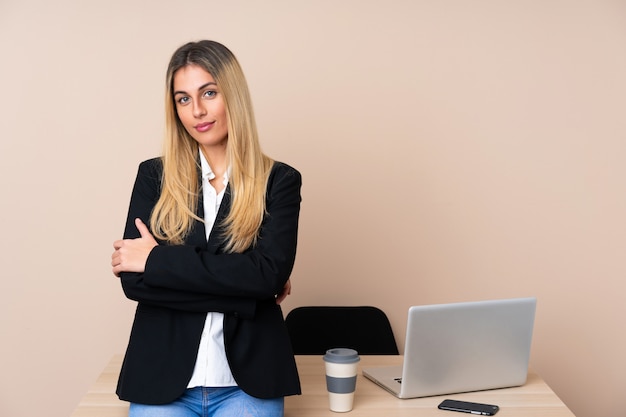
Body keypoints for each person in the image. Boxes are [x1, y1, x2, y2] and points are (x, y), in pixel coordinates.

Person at [110, 40, 302, 417]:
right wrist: (248, 296)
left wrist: (158, 262)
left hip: (248, 384)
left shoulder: (279, 181)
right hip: (162, 379)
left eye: (209, 93)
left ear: (233, 95)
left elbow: (266, 277)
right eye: (183, 99)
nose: (197, 110)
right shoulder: (154, 176)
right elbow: (134, 281)